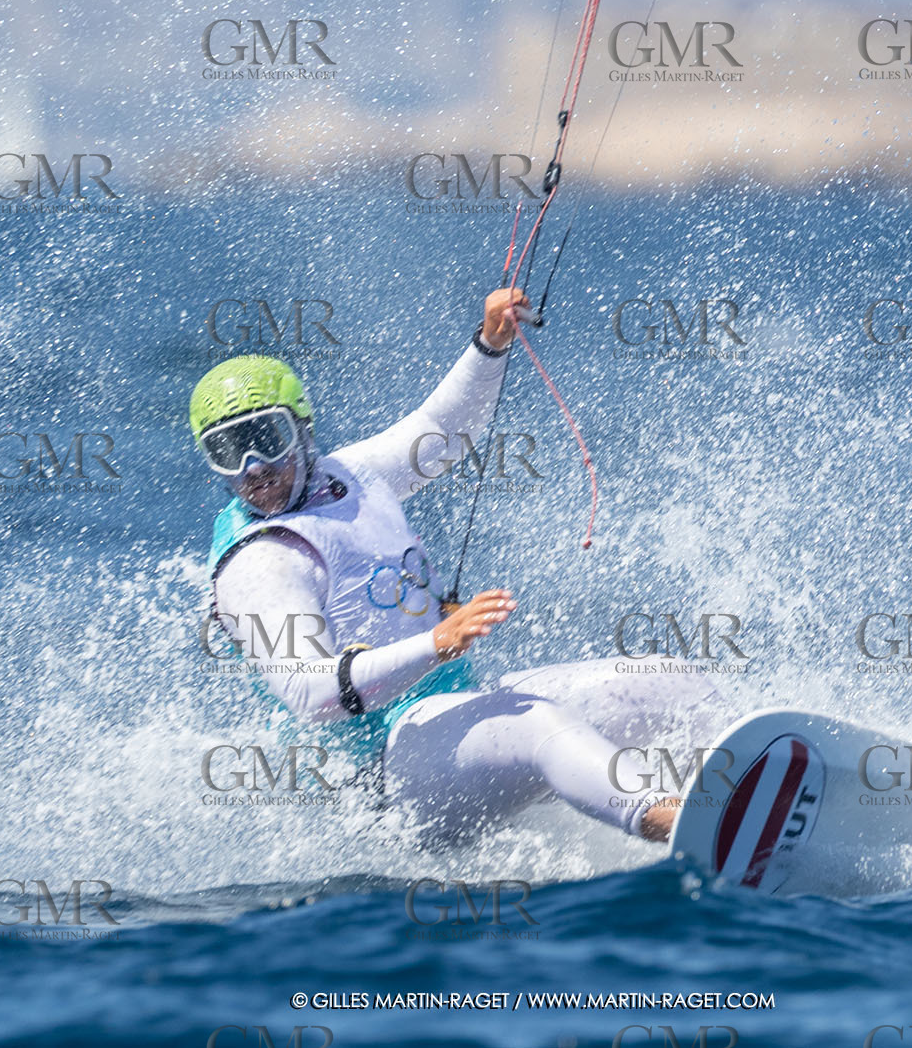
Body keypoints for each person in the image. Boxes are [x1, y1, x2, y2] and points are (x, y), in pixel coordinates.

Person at [191, 287, 714, 843]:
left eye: (267, 440)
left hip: (448, 718)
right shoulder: (259, 563)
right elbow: (312, 694)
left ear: (303, 428)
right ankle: (691, 827)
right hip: (384, 782)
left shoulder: (346, 477)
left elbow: (444, 433)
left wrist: (490, 343)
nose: (254, 468)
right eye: (228, 452)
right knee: (540, 726)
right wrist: (436, 641)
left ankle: (763, 785)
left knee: (663, 681)